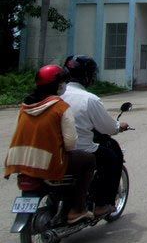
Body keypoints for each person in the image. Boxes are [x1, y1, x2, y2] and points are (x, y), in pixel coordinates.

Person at [4, 65, 95, 224]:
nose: (65, 86)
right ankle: (78, 209)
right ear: (58, 85)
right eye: (63, 82)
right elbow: (71, 142)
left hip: (19, 162)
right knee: (88, 160)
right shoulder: (60, 107)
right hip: (47, 163)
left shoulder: (25, 106)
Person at [61, 55, 129, 216]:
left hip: (52, 149)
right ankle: (102, 204)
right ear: (88, 76)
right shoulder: (89, 99)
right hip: (80, 150)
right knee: (111, 156)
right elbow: (108, 127)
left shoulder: (51, 96)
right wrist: (120, 126)